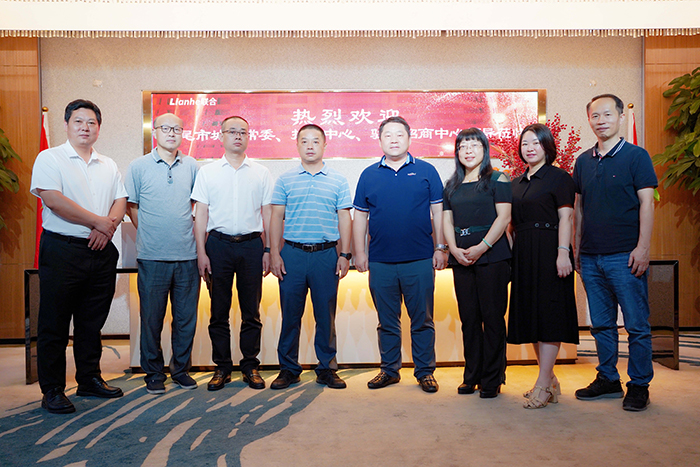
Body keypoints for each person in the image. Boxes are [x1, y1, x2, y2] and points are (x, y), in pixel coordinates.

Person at [30, 99, 127, 414]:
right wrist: (98, 223)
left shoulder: (108, 164)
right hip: (63, 249)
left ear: (99, 127)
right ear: (67, 124)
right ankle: (53, 389)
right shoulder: (50, 158)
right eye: (79, 121)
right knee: (54, 323)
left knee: (91, 322)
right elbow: (53, 200)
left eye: (91, 122)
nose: (85, 127)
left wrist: (107, 228)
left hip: (101, 250)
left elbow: (120, 199)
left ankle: (89, 379)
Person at [573, 94, 657, 412]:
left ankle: (639, 384)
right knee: (601, 324)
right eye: (595, 116)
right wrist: (577, 247)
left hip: (626, 255)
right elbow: (579, 209)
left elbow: (647, 203)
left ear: (621, 116)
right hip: (591, 257)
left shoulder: (637, 156)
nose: (601, 120)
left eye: (608, 114)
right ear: (589, 120)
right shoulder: (583, 161)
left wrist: (643, 247)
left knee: (636, 325)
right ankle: (608, 378)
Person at [353, 116, 447, 393]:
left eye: (399, 134)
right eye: (388, 135)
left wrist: (440, 247)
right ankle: (389, 370)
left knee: (422, 321)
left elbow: (439, 212)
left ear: (409, 138)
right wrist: (360, 252)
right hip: (380, 261)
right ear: (380, 140)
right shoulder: (368, 174)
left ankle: (425, 371)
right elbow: (360, 217)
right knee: (387, 321)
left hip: (419, 259)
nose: (393, 140)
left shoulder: (427, 171)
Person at [191, 115, 273, 391]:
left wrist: (268, 249)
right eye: (232, 131)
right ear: (222, 136)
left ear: (249, 137)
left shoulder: (261, 172)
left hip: (252, 246)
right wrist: (201, 252)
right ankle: (222, 367)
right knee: (218, 311)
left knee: (252, 311)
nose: (238, 136)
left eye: (243, 132)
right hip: (218, 246)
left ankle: (250, 365)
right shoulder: (208, 172)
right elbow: (201, 214)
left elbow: (268, 214)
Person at [269, 124, 353, 390]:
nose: (309, 146)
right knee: (290, 316)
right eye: (304, 141)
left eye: (315, 141)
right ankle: (288, 369)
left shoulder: (338, 180)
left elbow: (344, 217)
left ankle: (326, 368)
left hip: (326, 255)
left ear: (324, 145)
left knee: (325, 317)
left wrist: (345, 254)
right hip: (292, 254)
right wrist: (274, 253)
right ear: (297, 145)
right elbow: (276, 217)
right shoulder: (285, 179)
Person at [125, 113, 200, 395]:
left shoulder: (192, 165)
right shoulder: (138, 166)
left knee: (185, 320)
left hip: (187, 256)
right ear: (155, 132)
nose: (171, 133)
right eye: (165, 128)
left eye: (177, 129)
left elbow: (198, 205)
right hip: (152, 256)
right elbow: (132, 206)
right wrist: (150, 233)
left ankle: (180, 371)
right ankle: (154, 373)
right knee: (151, 319)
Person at [507, 123, 579, 409]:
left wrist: (563, 252)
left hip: (551, 249)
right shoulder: (515, 183)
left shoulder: (560, 178)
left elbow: (566, 218)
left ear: (547, 146)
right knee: (532, 317)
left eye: (536, 142)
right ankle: (550, 380)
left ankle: (542, 384)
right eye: (525, 143)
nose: (530, 148)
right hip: (524, 253)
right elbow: (510, 224)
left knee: (550, 316)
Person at [442, 128, 511, 399]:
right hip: (461, 258)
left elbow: (503, 217)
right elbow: (447, 220)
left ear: (484, 149)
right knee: (469, 319)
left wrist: (482, 247)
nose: (468, 151)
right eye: (463, 146)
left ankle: (492, 378)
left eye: (474, 145)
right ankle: (471, 375)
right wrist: (454, 250)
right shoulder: (451, 185)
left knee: (492, 318)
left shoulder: (497, 179)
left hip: (492, 257)